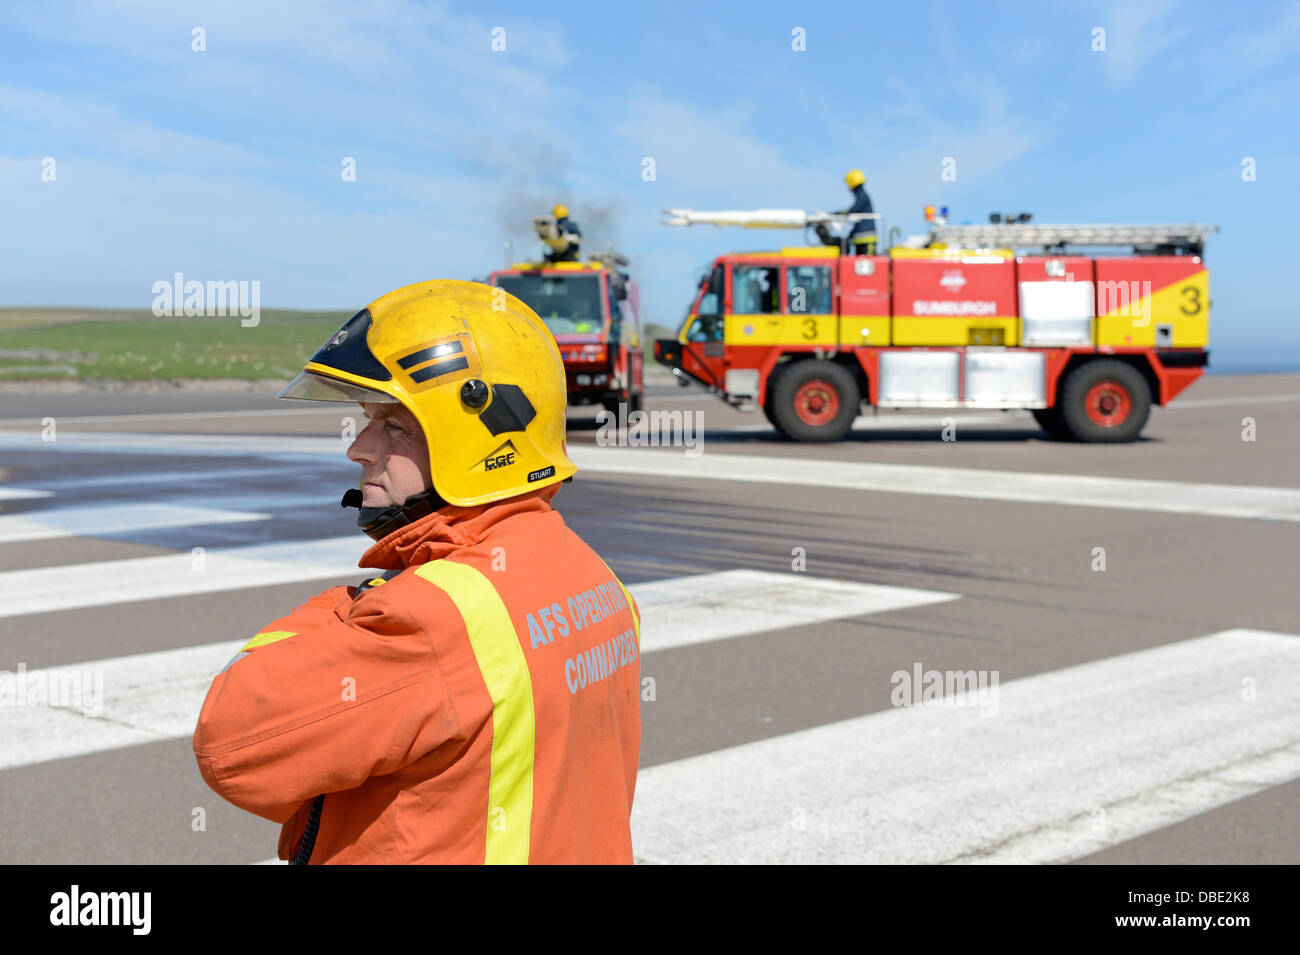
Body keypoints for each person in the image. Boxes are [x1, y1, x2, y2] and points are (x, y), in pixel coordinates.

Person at [192, 279, 642, 864]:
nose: (359, 448)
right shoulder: (596, 577)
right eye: (366, 418)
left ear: (477, 441)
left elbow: (232, 747)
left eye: (395, 426)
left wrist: (345, 607)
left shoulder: (428, 616)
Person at [837, 169, 876, 255]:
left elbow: (853, 210)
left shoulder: (862, 196)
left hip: (866, 238)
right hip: (860, 237)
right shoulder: (862, 195)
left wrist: (837, 213)